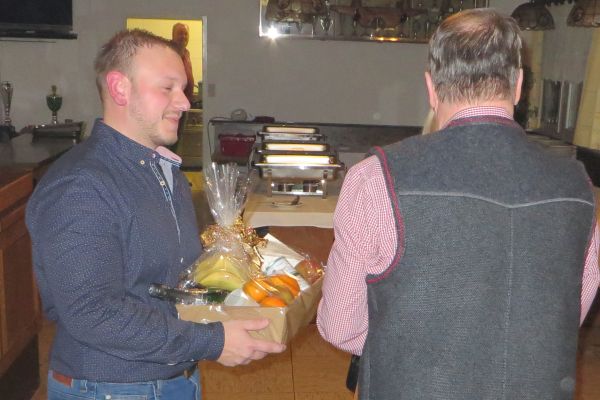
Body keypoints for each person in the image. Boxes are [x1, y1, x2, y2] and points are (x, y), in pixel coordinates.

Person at [317, 8, 599, 400]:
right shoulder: (577, 187)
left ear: (431, 88)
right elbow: (565, 315)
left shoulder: (376, 179)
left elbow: (341, 326)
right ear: (518, 85)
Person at [26, 29, 285, 400]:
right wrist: (212, 341)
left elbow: (163, 282)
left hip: (175, 374)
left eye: (184, 89)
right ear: (120, 88)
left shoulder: (163, 172)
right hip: (111, 387)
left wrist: (235, 277)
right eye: (168, 88)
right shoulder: (81, 185)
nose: (184, 102)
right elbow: (92, 313)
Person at [172, 22, 195, 103]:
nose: (183, 36)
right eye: (180, 33)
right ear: (173, 36)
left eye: (186, 34)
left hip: (186, 102)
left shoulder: (186, 53)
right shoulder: (168, 53)